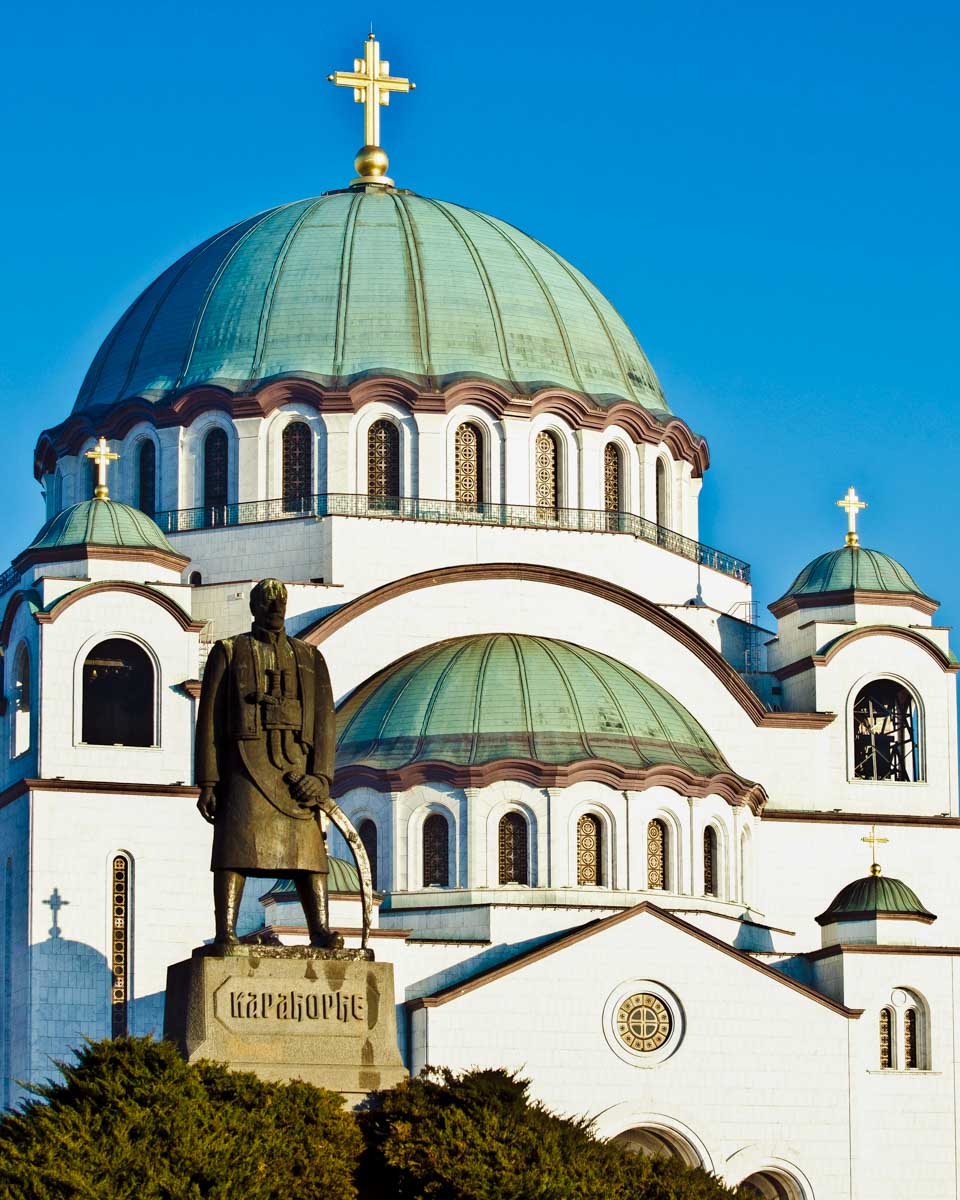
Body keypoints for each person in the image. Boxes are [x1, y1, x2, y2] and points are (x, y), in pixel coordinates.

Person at [195, 577, 342, 949]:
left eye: (281, 602)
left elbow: (325, 721)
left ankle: (319, 930)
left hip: (297, 769)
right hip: (245, 766)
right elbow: (209, 720)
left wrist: (321, 778)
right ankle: (225, 931)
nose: (275, 608)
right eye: (268, 602)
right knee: (234, 848)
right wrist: (209, 784)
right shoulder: (229, 651)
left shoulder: (309, 656)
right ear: (254, 607)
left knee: (309, 852)